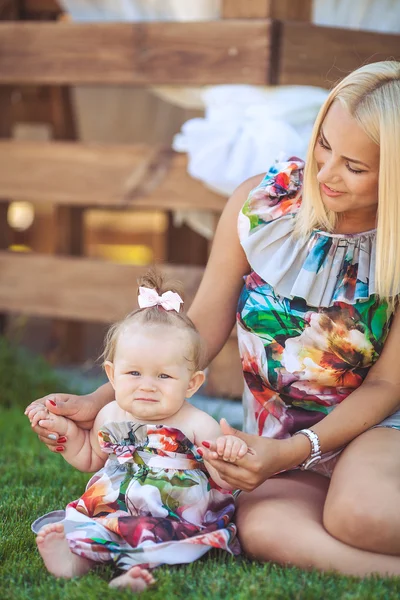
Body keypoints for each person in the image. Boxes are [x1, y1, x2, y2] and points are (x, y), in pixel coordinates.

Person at [26, 61, 400, 577]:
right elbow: (198, 327)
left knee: (358, 516)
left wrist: (296, 449)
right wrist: (100, 400)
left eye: (355, 166)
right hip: (276, 436)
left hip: (378, 427)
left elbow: (385, 384)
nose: (325, 173)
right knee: (263, 529)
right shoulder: (263, 206)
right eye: (324, 144)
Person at [26, 271, 245, 591]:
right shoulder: (111, 413)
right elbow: (89, 456)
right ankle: (74, 560)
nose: (147, 386)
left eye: (164, 377)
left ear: (192, 383)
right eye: (134, 373)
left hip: (171, 510)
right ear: (112, 376)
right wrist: (65, 431)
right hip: (113, 504)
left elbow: (222, 478)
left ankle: (130, 572)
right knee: (95, 526)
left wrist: (229, 453)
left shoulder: (197, 423)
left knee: (151, 534)